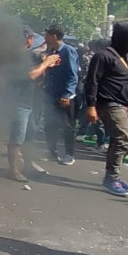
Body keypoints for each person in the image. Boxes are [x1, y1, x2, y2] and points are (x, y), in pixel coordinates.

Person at [85, 21, 128, 196]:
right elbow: (92, 82)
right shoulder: (103, 56)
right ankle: (111, 178)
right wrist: (91, 105)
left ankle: (114, 176)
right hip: (110, 103)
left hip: (126, 104)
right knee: (123, 139)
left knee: (121, 141)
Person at [9, 29, 61, 182]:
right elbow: (30, 75)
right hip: (18, 102)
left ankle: (28, 165)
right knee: (17, 138)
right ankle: (14, 170)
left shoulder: (25, 56)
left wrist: (46, 66)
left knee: (29, 136)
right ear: (28, 39)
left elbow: (34, 74)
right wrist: (46, 63)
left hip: (28, 101)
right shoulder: (15, 56)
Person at [41, 25, 79, 165]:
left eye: (47, 35)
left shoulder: (68, 51)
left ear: (54, 36)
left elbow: (73, 75)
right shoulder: (51, 51)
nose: (45, 38)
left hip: (64, 97)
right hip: (50, 94)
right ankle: (52, 152)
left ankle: (69, 154)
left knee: (67, 125)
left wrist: (67, 94)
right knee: (49, 125)